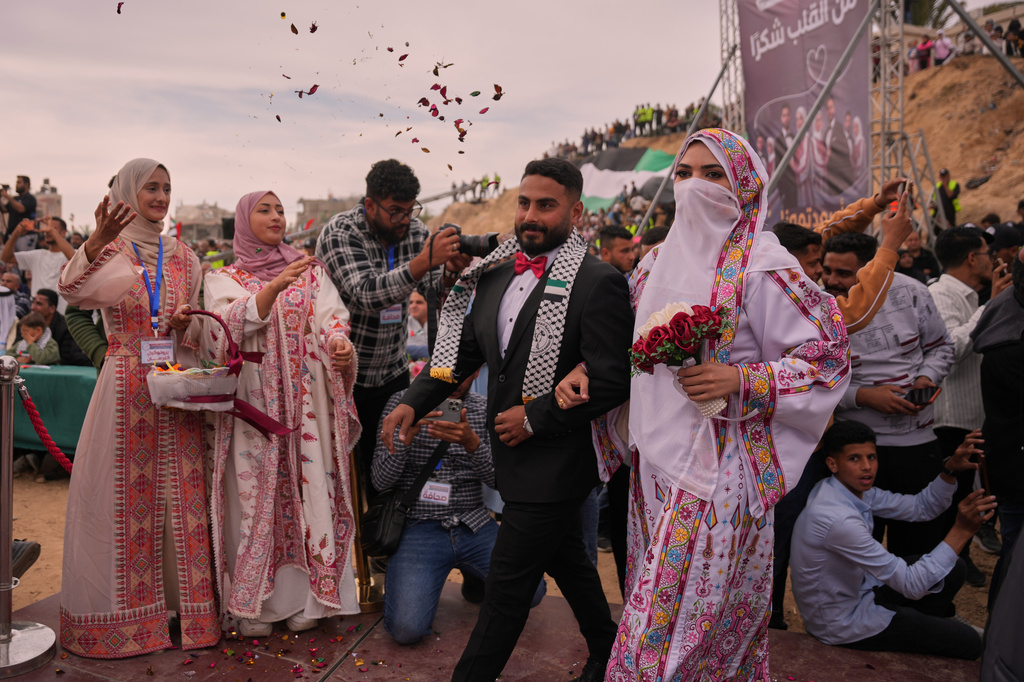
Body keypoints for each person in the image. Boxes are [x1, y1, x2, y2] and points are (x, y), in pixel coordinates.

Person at [604, 128, 850, 680]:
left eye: (713, 174)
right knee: (669, 597)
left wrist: (741, 379)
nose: (695, 187)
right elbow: (621, 345)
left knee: (669, 622)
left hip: (723, 467)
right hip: (653, 466)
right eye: (685, 174)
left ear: (745, 184)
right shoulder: (650, 266)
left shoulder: (766, 267)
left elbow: (829, 356)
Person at [382, 157, 633, 682]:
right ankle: (612, 653)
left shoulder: (599, 281)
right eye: (524, 203)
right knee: (572, 565)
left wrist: (537, 418)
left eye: (546, 205)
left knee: (505, 591)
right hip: (511, 457)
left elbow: (612, 379)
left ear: (576, 211)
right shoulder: (495, 271)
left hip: (558, 462)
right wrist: (415, 400)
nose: (530, 215)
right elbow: (461, 356)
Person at [57, 158, 219, 658]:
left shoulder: (186, 257)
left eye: (167, 188)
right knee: (120, 497)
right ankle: (129, 620)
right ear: (130, 190)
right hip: (125, 382)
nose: (161, 197)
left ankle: (183, 613)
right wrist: (90, 244)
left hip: (175, 383)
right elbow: (73, 293)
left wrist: (182, 325)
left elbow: (200, 329)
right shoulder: (111, 248)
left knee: (179, 494)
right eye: (151, 187)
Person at [202, 191, 361, 637]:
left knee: (309, 495)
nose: (276, 216)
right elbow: (218, 332)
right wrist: (272, 289)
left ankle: (311, 597)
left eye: (279, 209)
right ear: (244, 221)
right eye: (264, 210)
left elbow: (332, 319)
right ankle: (259, 604)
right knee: (256, 498)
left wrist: (338, 344)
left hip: (306, 408)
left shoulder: (309, 272)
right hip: (255, 409)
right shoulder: (223, 277)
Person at [316, 159, 468, 500]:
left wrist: (451, 273)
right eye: (395, 211)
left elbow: (432, 288)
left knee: (390, 468)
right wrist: (424, 262)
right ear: (369, 205)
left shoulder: (414, 232)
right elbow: (365, 293)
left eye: (411, 210)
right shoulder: (341, 232)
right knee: (344, 480)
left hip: (393, 373)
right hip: (344, 378)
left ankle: (384, 545)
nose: (404, 220)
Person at [791, 420, 992, 659]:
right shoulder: (838, 519)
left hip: (863, 590)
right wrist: (963, 530)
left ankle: (919, 632)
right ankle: (915, 635)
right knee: (970, 643)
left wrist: (950, 469)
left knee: (953, 569)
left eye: (871, 457)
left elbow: (922, 508)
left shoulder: (843, 488)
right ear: (833, 463)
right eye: (854, 459)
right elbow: (912, 584)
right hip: (842, 623)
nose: (867, 467)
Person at [372, 372, 544, 645]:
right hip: (418, 523)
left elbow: (500, 482)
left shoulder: (485, 407)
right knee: (407, 630)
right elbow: (380, 480)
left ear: (475, 371)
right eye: (450, 373)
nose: (457, 382)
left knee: (532, 592)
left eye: (464, 373)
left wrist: (472, 444)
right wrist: (405, 439)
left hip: (473, 521)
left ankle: (475, 576)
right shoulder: (402, 403)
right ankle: (458, 576)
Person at [826, 233, 954, 558]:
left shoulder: (912, 293)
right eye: (827, 270)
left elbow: (941, 347)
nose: (830, 280)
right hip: (851, 449)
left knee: (917, 544)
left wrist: (926, 378)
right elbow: (810, 382)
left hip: (916, 444)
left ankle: (919, 607)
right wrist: (864, 396)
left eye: (843, 273)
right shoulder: (819, 307)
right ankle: (865, 609)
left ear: (872, 269)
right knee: (854, 552)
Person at [930, 226, 1012, 584]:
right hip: (949, 419)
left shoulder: (972, 296)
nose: (993, 260)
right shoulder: (940, 294)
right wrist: (993, 307)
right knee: (952, 500)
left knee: (970, 494)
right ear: (971, 258)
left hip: (971, 417)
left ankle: (960, 562)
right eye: (987, 253)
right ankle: (950, 568)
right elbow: (950, 349)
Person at [970, 251, 1024, 607]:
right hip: (1017, 466)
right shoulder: (1012, 344)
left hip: (1009, 460)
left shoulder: (1009, 306)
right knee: (1017, 561)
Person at [2, 216, 74, 312]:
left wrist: (52, 231)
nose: (47, 231)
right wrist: (16, 232)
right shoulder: (37, 255)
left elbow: (76, 260)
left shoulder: (72, 254)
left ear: (63, 233)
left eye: (53, 228)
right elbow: (6, 257)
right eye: (46, 227)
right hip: (37, 315)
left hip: (63, 315)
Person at [22, 289, 91, 366]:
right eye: (33, 303)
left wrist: (37, 358)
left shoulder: (66, 327)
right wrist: (18, 357)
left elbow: (67, 357)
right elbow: (16, 347)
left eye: (39, 304)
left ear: (52, 308)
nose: (32, 307)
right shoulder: (26, 323)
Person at [0, 176, 36, 244]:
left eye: (19, 182)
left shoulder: (30, 198)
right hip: (13, 234)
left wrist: (7, 196)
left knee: (23, 254)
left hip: (25, 235)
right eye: (16, 183)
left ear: (26, 184)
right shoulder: (15, 199)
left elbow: (21, 209)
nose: (16, 185)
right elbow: (4, 210)